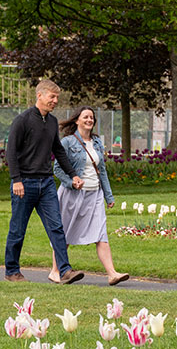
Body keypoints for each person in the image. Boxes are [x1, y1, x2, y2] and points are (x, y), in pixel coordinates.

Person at [3, 79, 86, 284]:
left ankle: (65, 271)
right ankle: (12, 271)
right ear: (39, 95)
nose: (55, 100)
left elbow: (58, 150)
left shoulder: (51, 122)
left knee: (57, 227)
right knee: (18, 229)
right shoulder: (22, 120)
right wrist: (16, 180)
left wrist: (73, 174)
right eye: (52, 96)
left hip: (47, 183)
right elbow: (11, 152)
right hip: (24, 184)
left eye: (57, 97)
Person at [49, 106, 130, 286]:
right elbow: (57, 169)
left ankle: (112, 273)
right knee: (65, 233)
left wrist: (108, 196)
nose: (89, 120)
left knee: (101, 234)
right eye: (85, 117)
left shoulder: (97, 142)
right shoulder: (68, 142)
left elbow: (102, 171)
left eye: (91, 117)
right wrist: (72, 182)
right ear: (77, 120)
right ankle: (55, 271)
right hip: (73, 195)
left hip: (95, 195)